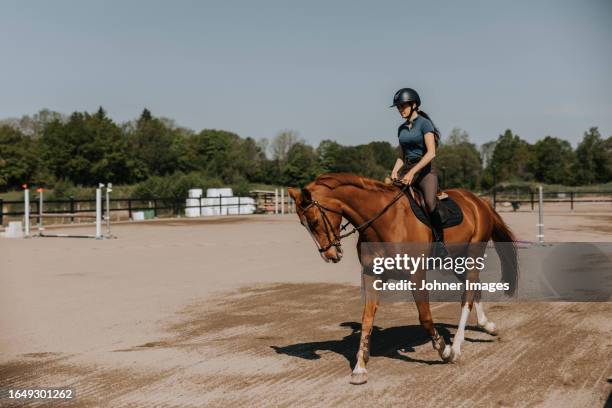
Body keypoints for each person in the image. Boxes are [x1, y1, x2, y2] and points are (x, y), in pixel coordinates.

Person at [389, 88, 448, 255]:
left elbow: (431, 153)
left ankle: (439, 245)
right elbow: (402, 154)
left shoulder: (425, 124)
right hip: (408, 170)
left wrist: (411, 173)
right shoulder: (401, 129)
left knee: (429, 203)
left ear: (414, 105)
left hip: (425, 171)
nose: (400, 110)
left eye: (403, 106)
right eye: (398, 107)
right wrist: (395, 171)